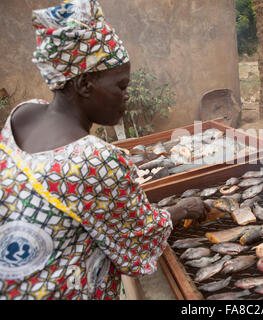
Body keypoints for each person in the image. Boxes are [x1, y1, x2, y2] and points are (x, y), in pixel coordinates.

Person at [0, 0, 205, 300]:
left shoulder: (23, 113)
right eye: (121, 87)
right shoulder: (95, 159)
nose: (126, 97)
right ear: (84, 84)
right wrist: (182, 210)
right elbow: (138, 238)